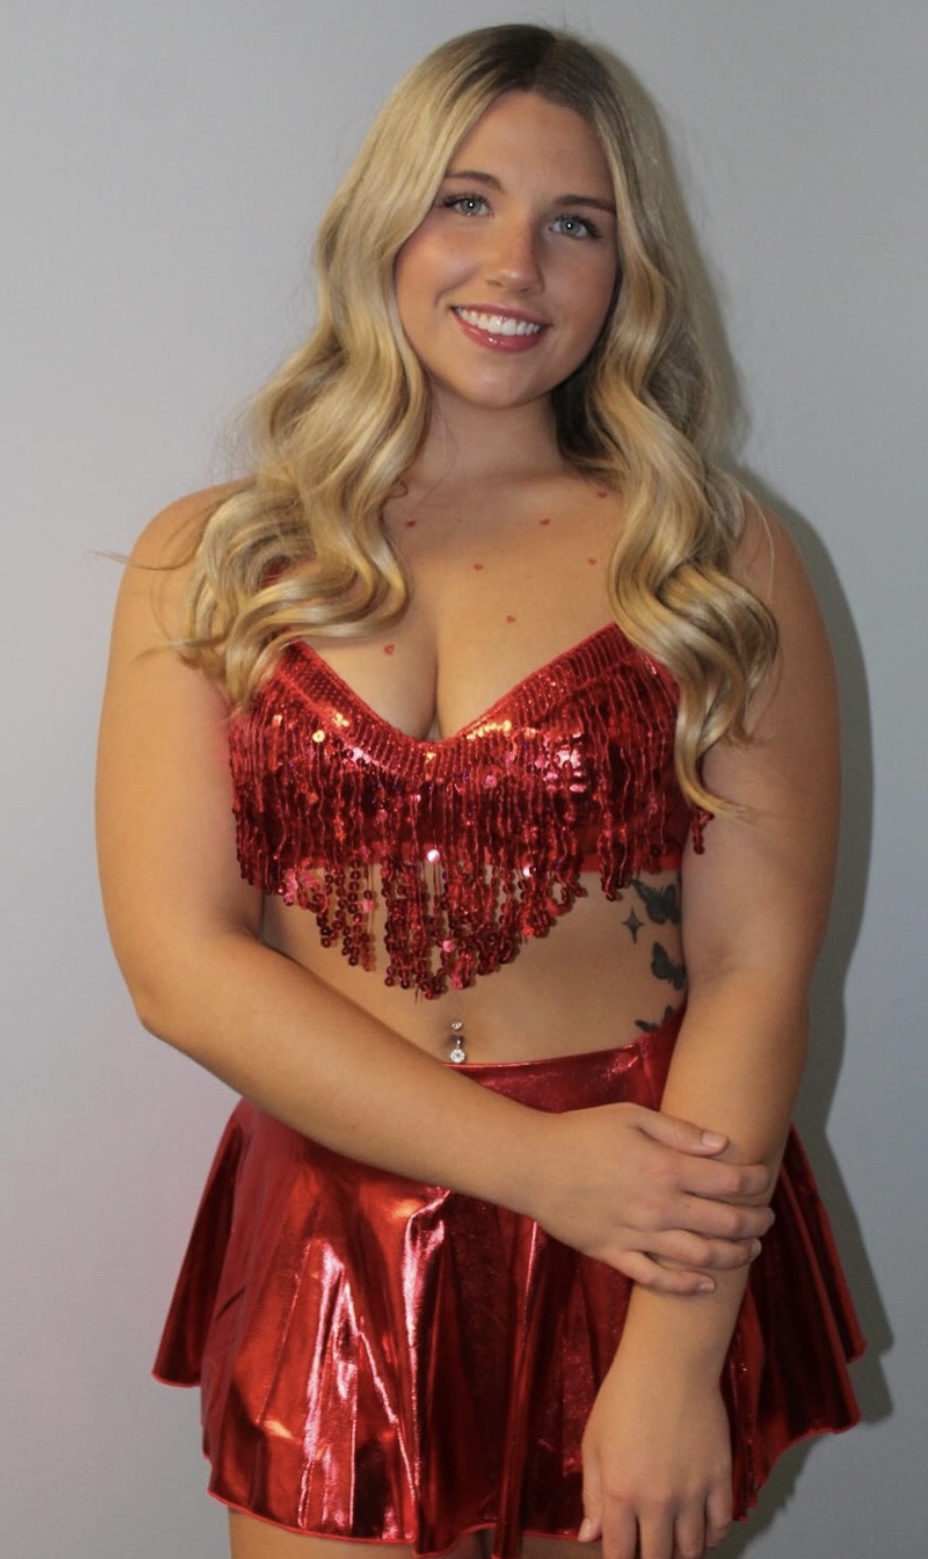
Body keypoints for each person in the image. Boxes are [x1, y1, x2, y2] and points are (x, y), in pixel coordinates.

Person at [96, 24, 862, 1559]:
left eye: (576, 223)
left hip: (646, 1224)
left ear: (628, 271)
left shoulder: (708, 556)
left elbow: (755, 969)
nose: (516, 263)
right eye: (466, 200)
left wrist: (675, 1353)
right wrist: (534, 1168)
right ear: (385, 221)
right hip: (336, 1230)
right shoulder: (215, 558)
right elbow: (180, 965)